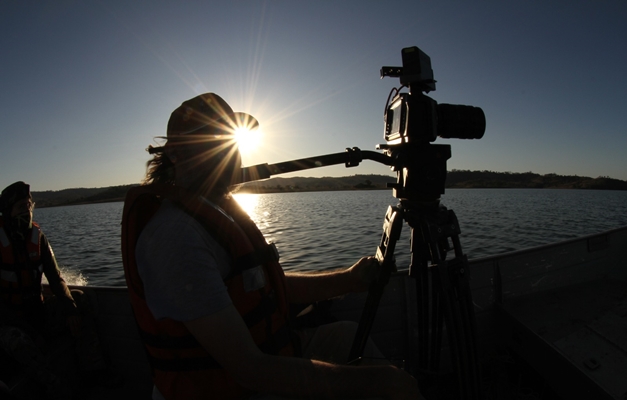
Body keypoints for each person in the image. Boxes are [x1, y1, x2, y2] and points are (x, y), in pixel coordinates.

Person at [121, 93, 423, 400]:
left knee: (343, 336)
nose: (227, 153)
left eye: (228, 141)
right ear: (175, 154)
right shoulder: (175, 237)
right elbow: (251, 370)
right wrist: (376, 382)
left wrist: (349, 279)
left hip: (267, 354)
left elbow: (268, 287)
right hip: (227, 387)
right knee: (388, 384)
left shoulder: (215, 209)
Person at [0, 181, 112, 398]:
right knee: (19, 341)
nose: (28, 211)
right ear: (7, 212)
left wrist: (70, 310)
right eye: (21, 207)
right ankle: (56, 388)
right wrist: (30, 331)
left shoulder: (38, 238)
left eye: (29, 206)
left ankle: (93, 370)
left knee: (79, 300)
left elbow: (56, 279)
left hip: (37, 312)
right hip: (8, 321)